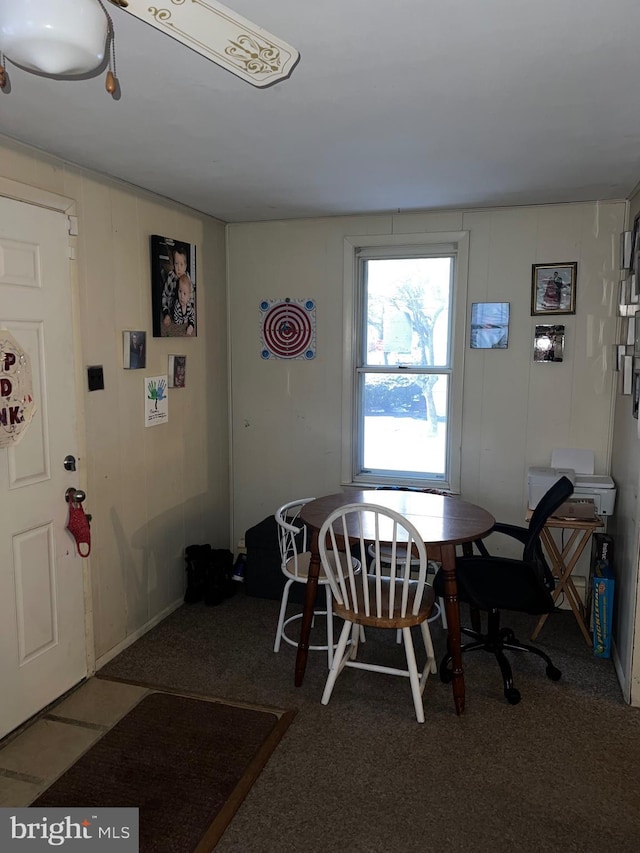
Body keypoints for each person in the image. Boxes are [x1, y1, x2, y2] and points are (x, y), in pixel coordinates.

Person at [161, 244, 189, 328]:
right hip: (172, 305)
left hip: (182, 305)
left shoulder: (187, 278)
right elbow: (165, 296)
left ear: (185, 266)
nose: (179, 268)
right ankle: (162, 275)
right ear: (173, 265)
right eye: (176, 264)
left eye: (181, 265)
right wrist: (166, 313)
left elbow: (190, 296)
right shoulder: (171, 277)